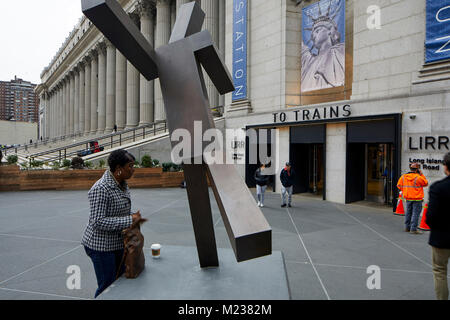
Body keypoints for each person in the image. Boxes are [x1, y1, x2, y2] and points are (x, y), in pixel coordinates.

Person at [81, 149, 142, 298]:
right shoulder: (101, 188)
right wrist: (130, 219)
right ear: (118, 169)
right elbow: (98, 221)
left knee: (118, 282)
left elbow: (116, 210)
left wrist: (132, 216)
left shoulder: (121, 183)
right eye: (130, 166)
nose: (133, 170)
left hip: (116, 243)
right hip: (100, 247)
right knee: (106, 286)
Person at [426, 152, 450, 300]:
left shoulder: (438, 187)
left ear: (446, 167)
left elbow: (430, 218)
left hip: (441, 238)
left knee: (440, 271)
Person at [397, 162, 428, 234]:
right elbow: (426, 183)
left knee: (408, 213)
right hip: (417, 198)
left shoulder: (403, 177)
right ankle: (413, 229)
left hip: (408, 198)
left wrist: (405, 191)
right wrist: (422, 174)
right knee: (415, 213)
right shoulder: (419, 177)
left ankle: (407, 227)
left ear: (410, 168)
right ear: (417, 169)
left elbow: (399, 185)